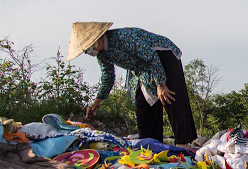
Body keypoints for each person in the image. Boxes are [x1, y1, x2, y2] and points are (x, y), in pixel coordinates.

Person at [66, 22, 197, 148]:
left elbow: (151, 56)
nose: (88, 52)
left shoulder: (123, 37)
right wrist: (95, 104)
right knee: (143, 102)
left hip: (162, 55)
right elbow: (108, 78)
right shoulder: (102, 56)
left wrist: (161, 84)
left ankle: (183, 143)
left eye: (88, 48)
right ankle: (151, 143)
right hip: (142, 68)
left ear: (96, 40)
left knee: (169, 96)